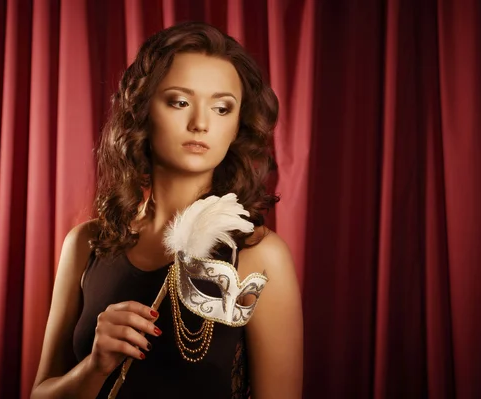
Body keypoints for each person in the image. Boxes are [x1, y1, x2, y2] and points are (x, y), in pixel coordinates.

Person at [31, 21, 303, 399]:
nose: (201, 123)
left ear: (238, 126)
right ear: (143, 109)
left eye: (222, 108)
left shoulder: (260, 257)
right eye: (179, 102)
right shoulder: (86, 244)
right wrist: (95, 366)